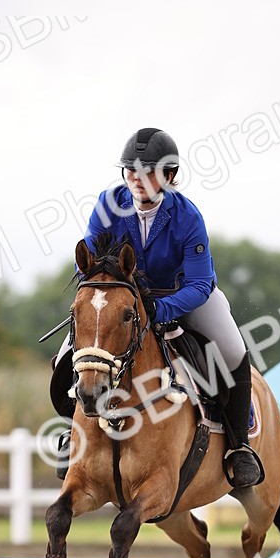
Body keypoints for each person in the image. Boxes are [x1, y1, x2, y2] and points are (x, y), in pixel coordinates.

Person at [57, 126, 263, 490]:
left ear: (169, 175)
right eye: (130, 169)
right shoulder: (108, 205)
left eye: (148, 170)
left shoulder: (187, 217)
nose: (136, 178)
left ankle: (238, 445)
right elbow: (86, 264)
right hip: (123, 299)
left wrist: (160, 308)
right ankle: (70, 434)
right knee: (69, 356)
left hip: (183, 297)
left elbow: (199, 285)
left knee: (232, 349)